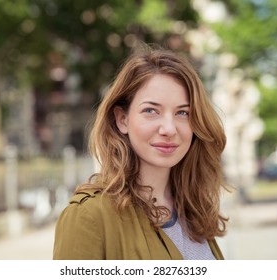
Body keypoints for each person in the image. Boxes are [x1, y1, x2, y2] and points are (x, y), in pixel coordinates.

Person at [53, 44, 228, 260]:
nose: (169, 129)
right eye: (151, 111)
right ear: (122, 120)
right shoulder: (89, 216)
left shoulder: (193, 210)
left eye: (182, 112)